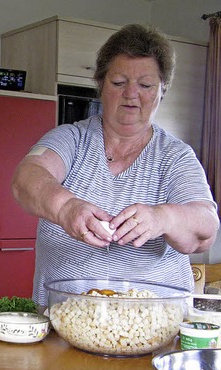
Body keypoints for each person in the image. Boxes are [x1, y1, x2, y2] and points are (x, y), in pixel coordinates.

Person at [11, 24, 219, 306]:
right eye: (119, 82)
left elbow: (205, 229)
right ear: (101, 85)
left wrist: (162, 218)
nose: (131, 94)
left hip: (154, 327)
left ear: (162, 90)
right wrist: (66, 207)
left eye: (145, 85)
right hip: (64, 320)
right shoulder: (70, 138)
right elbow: (26, 178)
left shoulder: (176, 156)